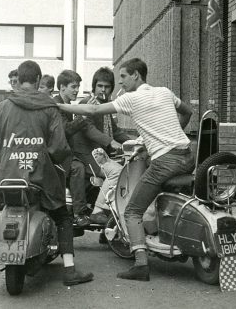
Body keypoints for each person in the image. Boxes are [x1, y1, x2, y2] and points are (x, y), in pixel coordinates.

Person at [0, 60, 93, 286]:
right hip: (41, 178)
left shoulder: (3, 106)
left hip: (7, 178)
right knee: (62, 216)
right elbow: (59, 148)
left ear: (18, 80)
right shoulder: (49, 107)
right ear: (38, 81)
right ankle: (69, 270)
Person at [58, 58, 194, 281]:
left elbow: (92, 109)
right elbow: (187, 113)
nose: (120, 83)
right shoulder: (165, 92)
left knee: (132, 211)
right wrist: (170, 137)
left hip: (165, 162)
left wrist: (58, 105)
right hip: (187, 156)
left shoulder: (132, 98)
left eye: (123, 77)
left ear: (136, 76)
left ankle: (141, 264)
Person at [72, 67, 130, 225]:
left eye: (107, 87)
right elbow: (88, 128)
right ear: (94, 86)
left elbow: (116, 131)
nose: (103, 90)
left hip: (99, 155)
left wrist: (134, 142)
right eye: (100, 86)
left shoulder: (105, 106)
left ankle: (110, 221)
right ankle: (98, 211)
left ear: (112, 88)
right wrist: (110, 142)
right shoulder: (87, 103)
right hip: (86, 155)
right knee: (117, 175)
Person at [53, 70, 92, 226]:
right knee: (78, 168)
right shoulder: (57, 105)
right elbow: (66, 130)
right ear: (62, 87)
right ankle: (79, 213)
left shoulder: (66, 105)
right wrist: (84, 116)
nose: (77, 90)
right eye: (73, 87)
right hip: (57, 155)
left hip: (63, 152)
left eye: (78, 87)